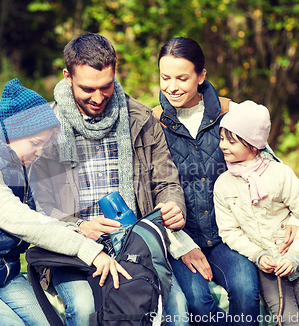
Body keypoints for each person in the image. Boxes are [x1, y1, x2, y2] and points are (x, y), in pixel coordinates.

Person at [0, 78, 130, 326]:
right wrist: (89, 251)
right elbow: (24, 222)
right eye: (35, 143)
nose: (39, 152)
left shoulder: (18, 165)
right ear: (12, 132)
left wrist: (77, 228)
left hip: (1, 274)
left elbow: (40, 217)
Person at [32, 33, 195, 326]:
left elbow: (167, 181)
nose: (97, 97)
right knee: (84, 310)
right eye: (87, 88)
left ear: (115, 71)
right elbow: (39, 207)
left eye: (106, 87)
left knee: (178, 310)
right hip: (72, 251)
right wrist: (80, 227)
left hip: (133, 245)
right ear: (68, 77)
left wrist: (173, 205)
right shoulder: (46, 131)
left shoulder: (141, 120)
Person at [154, 37, 299, 325]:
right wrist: (181, 245)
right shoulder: (153, 123)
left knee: (246, 291)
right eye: (165, 77)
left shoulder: (230, 112)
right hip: (180, 239)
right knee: (198, 302)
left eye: (182, 78)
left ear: (201, 75)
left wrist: (294, 214)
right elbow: (150, 191)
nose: (172, 86)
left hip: (230, 234)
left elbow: (268, 165)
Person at [214, 101, 299, 326]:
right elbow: (229, 232)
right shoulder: (223, 185)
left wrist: (295, 254)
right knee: (289, 322)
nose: (223, 145)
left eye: (231, 141)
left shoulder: (279, 174)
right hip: (269, 271)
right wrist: (256, 255)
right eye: (222, 138)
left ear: (254, 145)